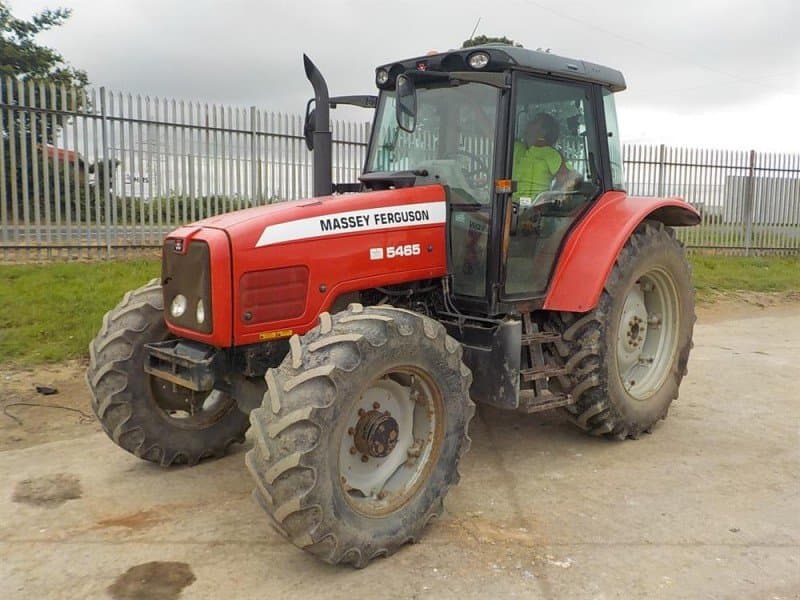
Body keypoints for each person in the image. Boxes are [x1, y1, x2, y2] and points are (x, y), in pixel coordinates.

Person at [513, 113, 571, 199]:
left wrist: (550, 197)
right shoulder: (516, 147)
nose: (528, 124)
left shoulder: (550, 154)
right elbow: (494, 134)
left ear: (543, 132)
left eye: (534, 122)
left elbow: (568, 179)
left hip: (538, 206)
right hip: (510, 206)